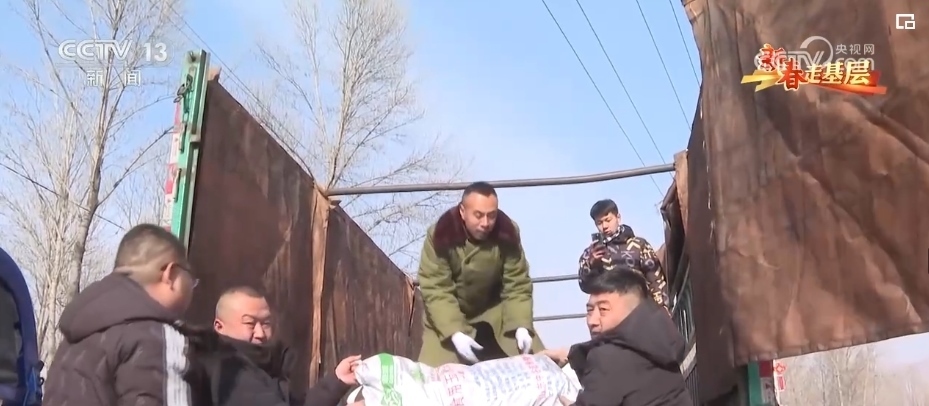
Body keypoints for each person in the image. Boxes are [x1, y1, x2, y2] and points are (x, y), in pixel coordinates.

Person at [44, 224, 198, 406]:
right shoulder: (156, 338)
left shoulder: (78, 333)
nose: (192, 285)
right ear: (170, 274)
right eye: (190, 277)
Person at [417, 181, 544, 366]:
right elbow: (436, 289)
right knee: (434, 376)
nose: (485, 223)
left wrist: (521, 325)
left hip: (495, 313)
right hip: (446, 316)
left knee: (538, 364)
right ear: (462, 212)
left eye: (491, 216)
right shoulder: (440, 234)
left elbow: (517, 283)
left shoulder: (507, 232)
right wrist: (455, 332)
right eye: (478, 215)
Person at [541, 268, 691, 406]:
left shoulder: (606, 357)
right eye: (590, 310)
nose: (592, 321)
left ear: (631, 312)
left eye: (603, 309)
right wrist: (571, 354)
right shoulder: (659, 343)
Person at [193, 286, 361, 406]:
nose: (260, 333)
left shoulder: (267, 367)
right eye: (250, 323)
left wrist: (337, 380)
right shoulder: (227, 371)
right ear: (219, 327)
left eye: (266, 323)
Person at [577, 199, 671, 311]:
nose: (604, 226)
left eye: (608, 220)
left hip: (639, 309)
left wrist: (662, 309)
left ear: (618, 217)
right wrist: (591, 265)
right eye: (599, 223)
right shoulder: (591, 253)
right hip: (608, 313)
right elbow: (585, 286)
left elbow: (656, 280)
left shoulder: (639, 245)